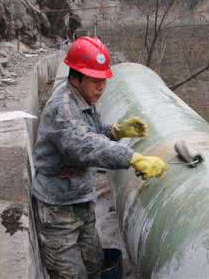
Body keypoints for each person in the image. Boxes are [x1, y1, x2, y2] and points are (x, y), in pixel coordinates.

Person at [32, 36, 168, 278]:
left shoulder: (83, 98)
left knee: (95, 264)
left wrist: (115, 131)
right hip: (57, 208)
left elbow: (90, 132)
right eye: (95, 81)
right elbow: (84, 145)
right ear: (75, 77)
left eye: (103, 82)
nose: (101, 88)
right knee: (70, 274)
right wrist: (133, 158)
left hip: (81, 198)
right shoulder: (61, 109)